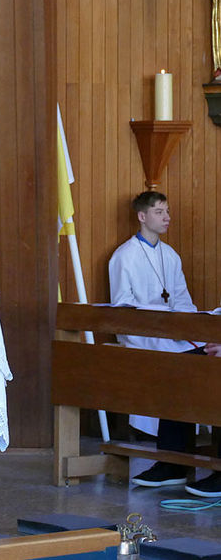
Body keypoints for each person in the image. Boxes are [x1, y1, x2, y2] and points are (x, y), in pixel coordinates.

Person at [108, 191, 220, 497]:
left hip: (174, 331)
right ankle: (173, 460)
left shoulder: (171, 256)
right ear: (142, 217)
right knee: (175, 365)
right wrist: (160, 324)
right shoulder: (124, 256)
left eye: (167, 211)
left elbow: (182, 301)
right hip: (143, 333)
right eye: (160, 212)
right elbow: (123, 307)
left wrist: (182, 324)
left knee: (191, 356)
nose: (167, 217)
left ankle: (177, 458)